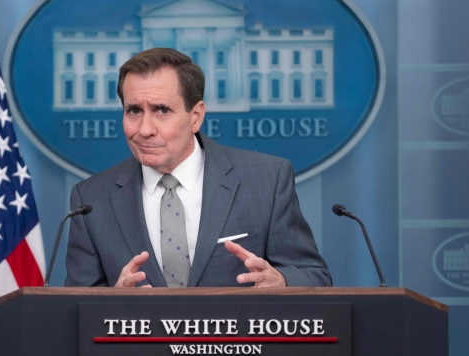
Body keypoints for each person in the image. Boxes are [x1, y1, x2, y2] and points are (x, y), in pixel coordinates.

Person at [65, 48, 331, 288]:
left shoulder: (266, 181)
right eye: (134, 111)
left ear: (196, 117)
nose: (144, 129)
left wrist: (282, 281)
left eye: (161, 110)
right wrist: (110, 303)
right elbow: (74, 310)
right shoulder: (90, 201)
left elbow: (314, 277)